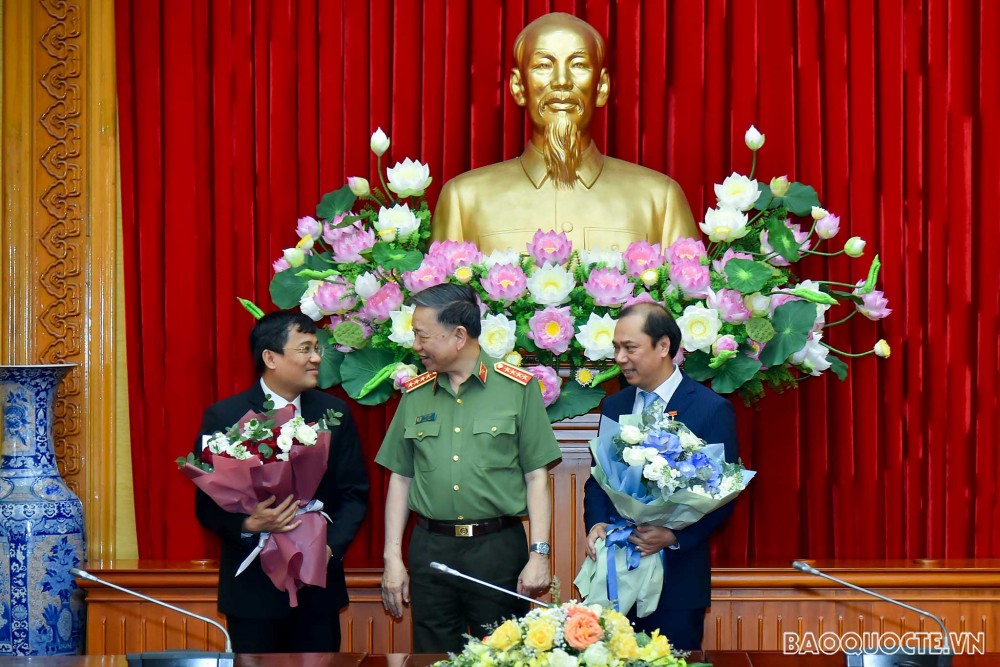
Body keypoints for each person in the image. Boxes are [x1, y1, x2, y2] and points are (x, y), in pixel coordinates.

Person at [376, 283, 563, 653]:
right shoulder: (415, 394)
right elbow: (400, 478)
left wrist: (539, 555)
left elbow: (536, 476)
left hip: (496, 548)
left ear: (459, 335)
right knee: (432, 656)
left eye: (422, 335)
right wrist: (392, 558)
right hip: (430, 547)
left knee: (504, 655)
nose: (416, 346)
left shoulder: (517, 388)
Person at [432, 12, 696, 254]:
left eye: (579, 64)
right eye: (543, 65)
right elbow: (442, 303)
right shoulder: (463, 199)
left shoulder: (660, 199)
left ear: (602, 87)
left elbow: (690, 301)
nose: (561, 81)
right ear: (518, 87)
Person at [194, 310, 369, 653]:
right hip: (252, 593)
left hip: (317, 589)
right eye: (305, 349)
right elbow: (207, 506)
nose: (317, 358)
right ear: (271, 357)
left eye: (317, 348)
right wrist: (248, 523)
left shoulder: (334, 414)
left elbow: (354, 494)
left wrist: (328, 549)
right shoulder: (225, 417)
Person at [583, 302, 739, 650]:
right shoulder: (615, 405)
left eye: (630, 348)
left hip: (677, 583)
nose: (620, 358)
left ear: (664, 346)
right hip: (617, 578)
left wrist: (673, 535)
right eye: (616, 349)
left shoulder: (710, 408)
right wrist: (595, 524)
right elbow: (599, 477)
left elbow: (725, 494)